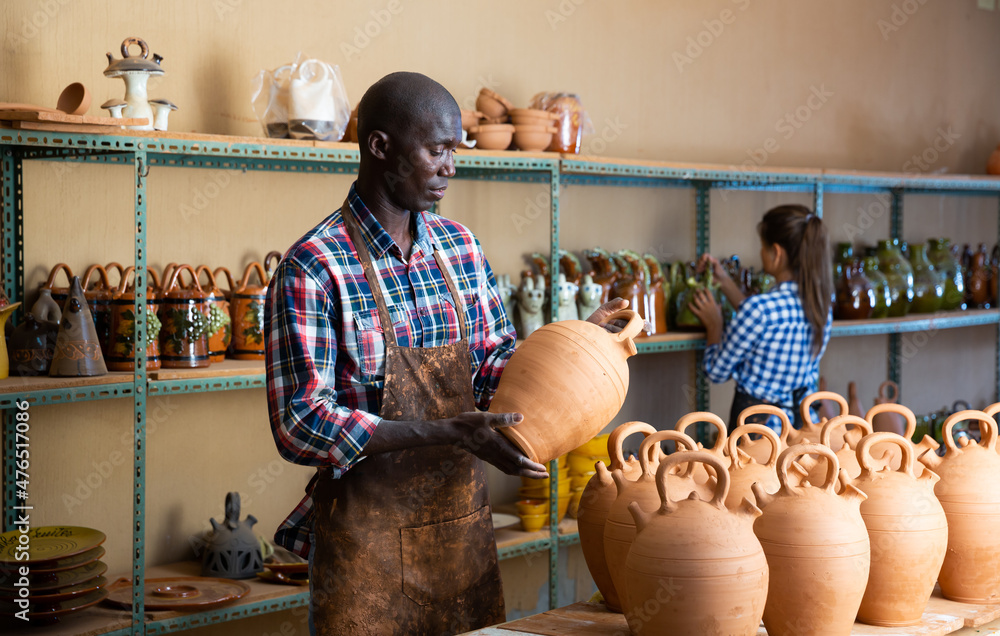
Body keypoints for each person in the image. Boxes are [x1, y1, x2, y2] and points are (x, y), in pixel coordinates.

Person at [264, 71, 626, 636]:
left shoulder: (459, 248)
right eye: (437, 150)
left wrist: (578, 347)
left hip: (461, 539)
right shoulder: (314, 266)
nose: (451, 167)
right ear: (381, 147)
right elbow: (300, 423)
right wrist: (448, 432)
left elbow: (492, 366)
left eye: (454, 150)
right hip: (365, 549)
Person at [689, 204, 833, 433]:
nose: (760, 253)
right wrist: (724, 281)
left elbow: (716, 371)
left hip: (759, 437)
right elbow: (764, 319)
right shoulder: (820, 306)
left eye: (762, 247)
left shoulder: (759, 311)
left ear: (776, 253)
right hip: (803, 428)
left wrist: (714, 326)